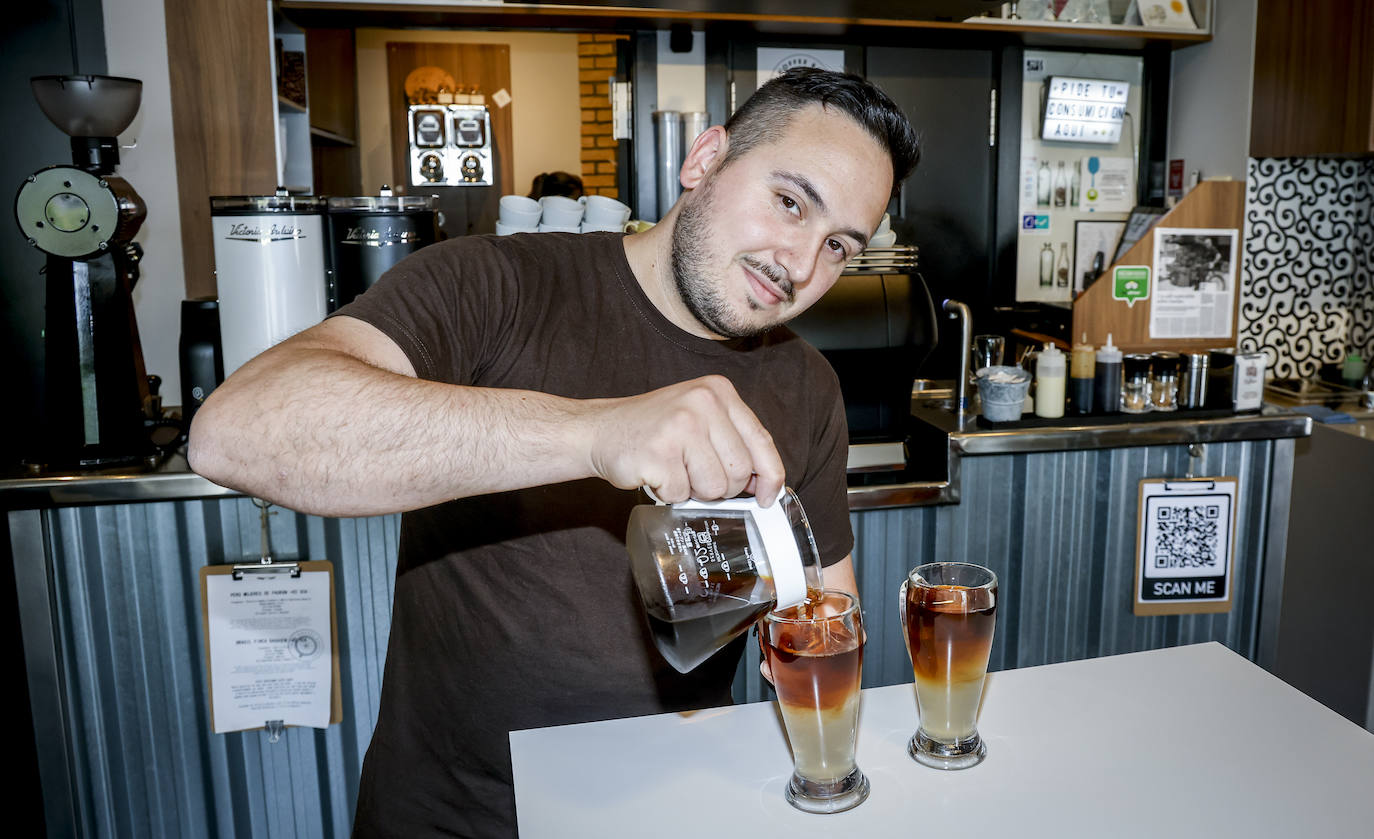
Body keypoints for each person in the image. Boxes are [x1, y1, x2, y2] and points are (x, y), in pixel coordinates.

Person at [188, 67, 918, 838]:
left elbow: (828, 619)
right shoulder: (500, 284)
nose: (801, 264)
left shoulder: (806, 384)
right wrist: (595, 434)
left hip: (681, 810)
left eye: (839, 244)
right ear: (704, 159)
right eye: (789, 201)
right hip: (463, 817)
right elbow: (236, 431)